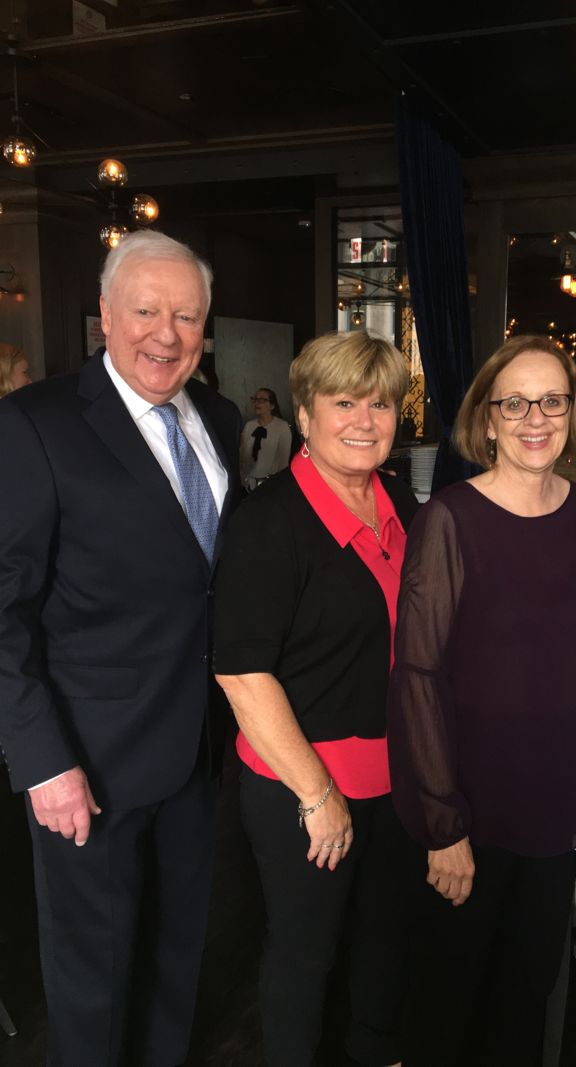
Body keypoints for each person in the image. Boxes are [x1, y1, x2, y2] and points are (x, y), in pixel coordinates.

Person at [0, 230, 241, 1066]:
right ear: (104, 312)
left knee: (177, 956)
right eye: (146, 310)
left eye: (186, 315)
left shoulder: (217, 413)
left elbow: (208, 582)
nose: (166, 334)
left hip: (200, 751)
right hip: (87, 767)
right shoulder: (34, 424)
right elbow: (4, 612)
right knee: (93, 977)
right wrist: (41, 762)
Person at [387, 334, 576, 1066]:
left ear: (571, 414)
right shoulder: (449, 518)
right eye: (515, 402)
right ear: (487, 420)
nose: (534, 417)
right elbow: (416, 673)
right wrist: (444, 824)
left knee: (526, 990)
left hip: (551, 806)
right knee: (450, 995)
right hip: (470, 807)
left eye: (551, 400)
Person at [214, 331, 419, 1067]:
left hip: (394, 779)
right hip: (305, 785)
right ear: (305, 413)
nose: (365, 419)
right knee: (305, 957)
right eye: (344, 402)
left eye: (381, 402)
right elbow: (242, 674)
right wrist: (316, 792)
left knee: (382, 944)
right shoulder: (269, 524)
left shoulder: (396, 499)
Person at [240, 385, 292, 490]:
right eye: (255, 399)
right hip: (248, 484)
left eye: (262, 400)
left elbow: (283, 461)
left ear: (272, 405)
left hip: (271, 485)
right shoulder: (249, 426)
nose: (257, 403)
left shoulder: (282, 427)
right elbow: (242, 456)